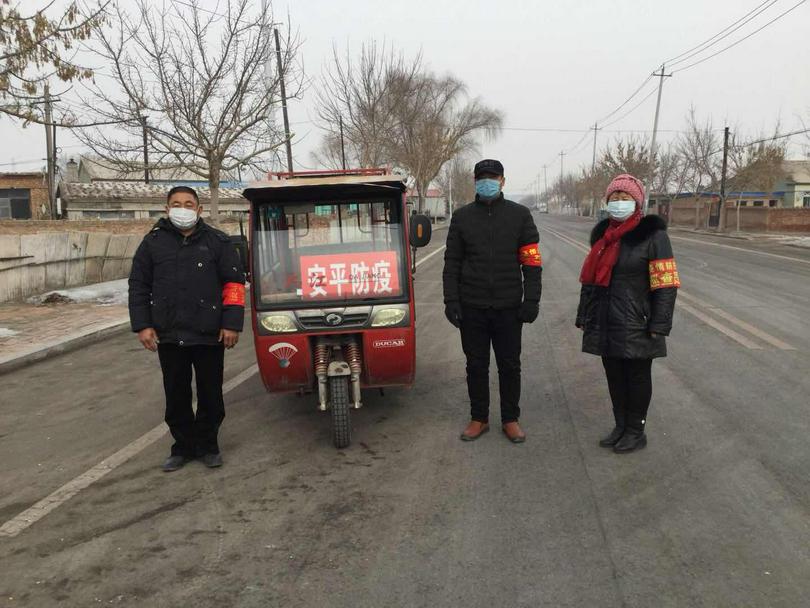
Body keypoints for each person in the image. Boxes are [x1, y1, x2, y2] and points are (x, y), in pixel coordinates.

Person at [129, 186, 245, 472]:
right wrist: (143, 325)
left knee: (210, 394)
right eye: (177, 204)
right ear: (167, 209)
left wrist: (231, 324)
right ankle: (182, 447)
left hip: (209, 334)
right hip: (169, 335)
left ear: (199, 209)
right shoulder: (153, 243)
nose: (183, 208)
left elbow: (234, 285)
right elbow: (139, 286)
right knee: (176, 394)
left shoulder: (218, 242)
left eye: (189, 203)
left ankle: (208, 445)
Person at [576, 174, 679, 454]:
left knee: (636, 377)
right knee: (614, 376)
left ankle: (636, 430)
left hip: (637, 323)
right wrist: (584, 315)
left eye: (626, 198)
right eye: (615, 198)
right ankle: (620, 426)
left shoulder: (654, 236)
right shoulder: (603, 238)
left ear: (638, 202)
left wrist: (660, 323)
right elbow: (591, 282)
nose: (620, 203)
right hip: (605, 320)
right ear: (607, 202)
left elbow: (666, 284)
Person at [443, 159, 543, 443]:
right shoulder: (462, 218)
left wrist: (531, 300)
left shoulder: (520, 216)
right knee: (475, 365)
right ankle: (479, 418)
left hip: (508, 308)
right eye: (482, 177)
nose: (487, 181)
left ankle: (511, 419)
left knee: (510, 365)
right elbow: (452, 262)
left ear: (502, 181)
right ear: (475, 181)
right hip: (471, 306)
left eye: (493, 177)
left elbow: (532, 263)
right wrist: (451, 300)